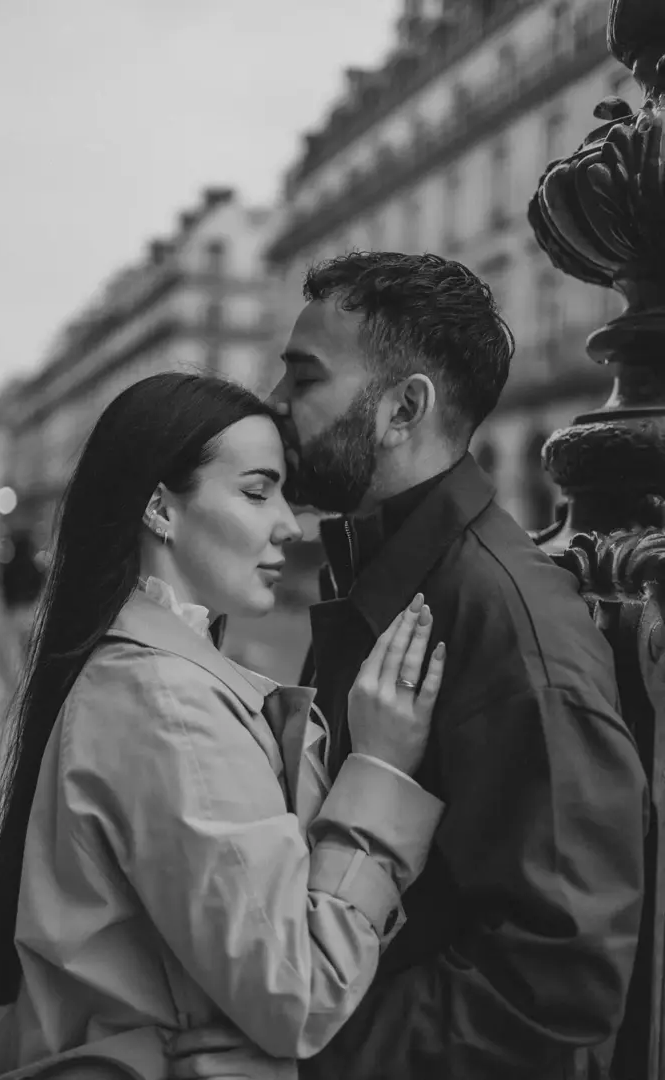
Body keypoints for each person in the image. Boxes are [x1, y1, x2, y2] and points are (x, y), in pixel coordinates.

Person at [167, 252, 648, 1080]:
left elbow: (556, 981)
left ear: (402, 408)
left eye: (303, 378)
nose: (274, 407)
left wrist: (315, 1060)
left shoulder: (505, 624)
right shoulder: (380, 571)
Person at [0, 372, 447, 1080]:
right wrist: (382, 771)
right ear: (161, 508)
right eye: (256, 490)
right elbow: (299, 992)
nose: (289, 522)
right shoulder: (167, 704)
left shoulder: (135, 669)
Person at [0, 529, 45, 697]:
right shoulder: (36, 568)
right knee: (29, 652)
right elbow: (41, 590)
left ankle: (18, 686)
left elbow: (2, 592)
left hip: (14, 614)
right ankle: (29, 685)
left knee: (13, 653)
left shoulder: (8, 569)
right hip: (31, 614)